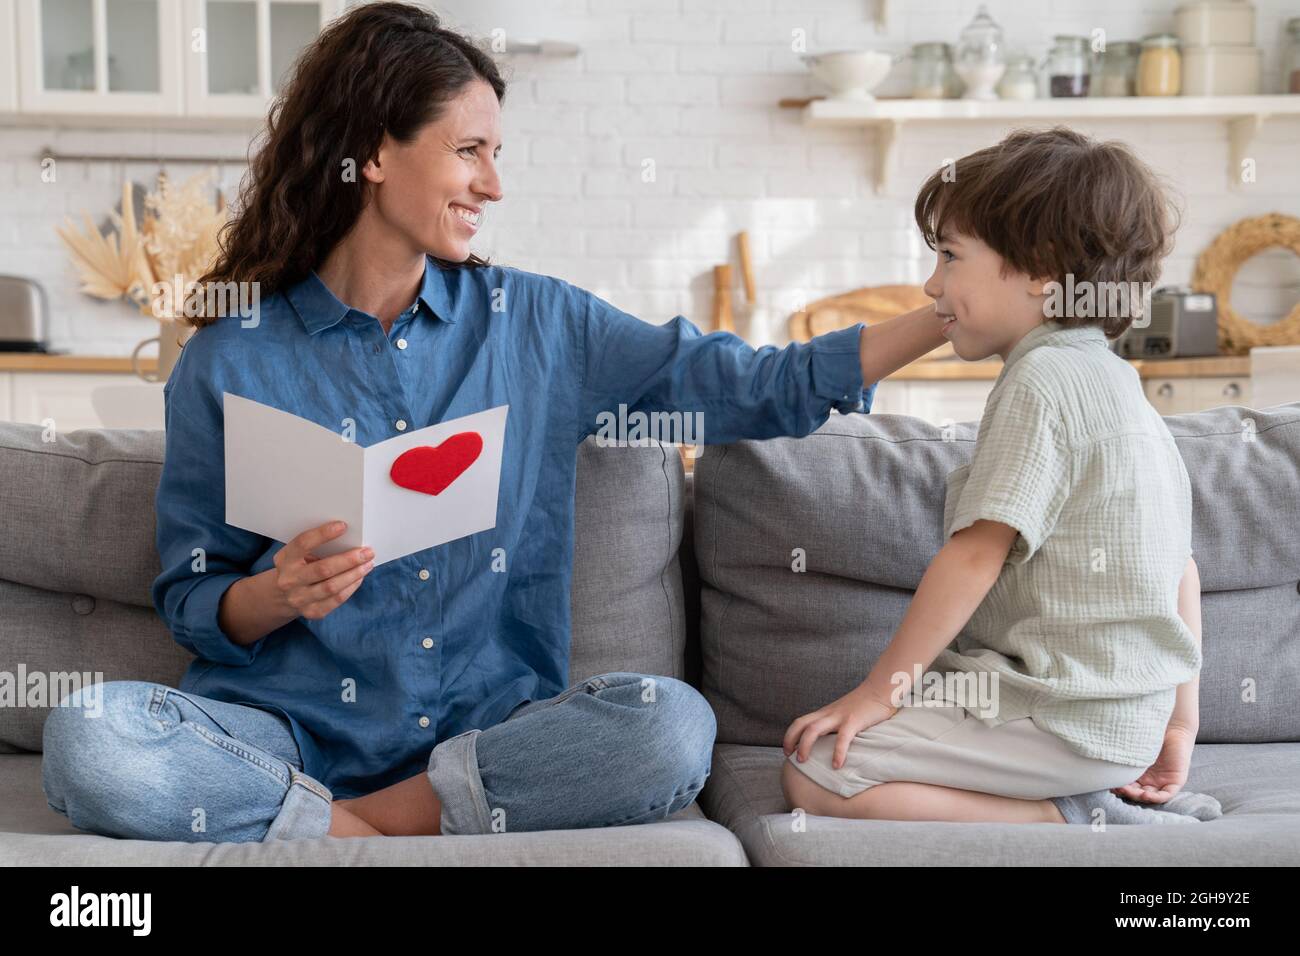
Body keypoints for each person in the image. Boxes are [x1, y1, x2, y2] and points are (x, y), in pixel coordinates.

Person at [41, 1, 946, 842]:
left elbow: (750, 384)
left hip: (486, 738)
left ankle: (345, 827)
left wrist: (940, 315)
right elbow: (193, 598)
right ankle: (393, 823)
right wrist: (274, 595)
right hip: (284, 732)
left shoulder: (543, 325)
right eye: (469, 150)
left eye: (496, 154)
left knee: (673, 726)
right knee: (91, 734)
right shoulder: (231, 358)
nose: (494, 184)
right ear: (375, 152)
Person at [781, 127, 1223, 827]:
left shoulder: (1041, 381)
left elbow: (974, 554)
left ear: (1042, 271)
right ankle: (1082, 796)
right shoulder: (1118, 384)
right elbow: (1182, 569)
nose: (932, 285)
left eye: (951, 257)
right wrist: (1177, 726)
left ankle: (1079, 818)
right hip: (1122, 724)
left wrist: (879, 692)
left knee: (817, 775)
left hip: (1057, 716)